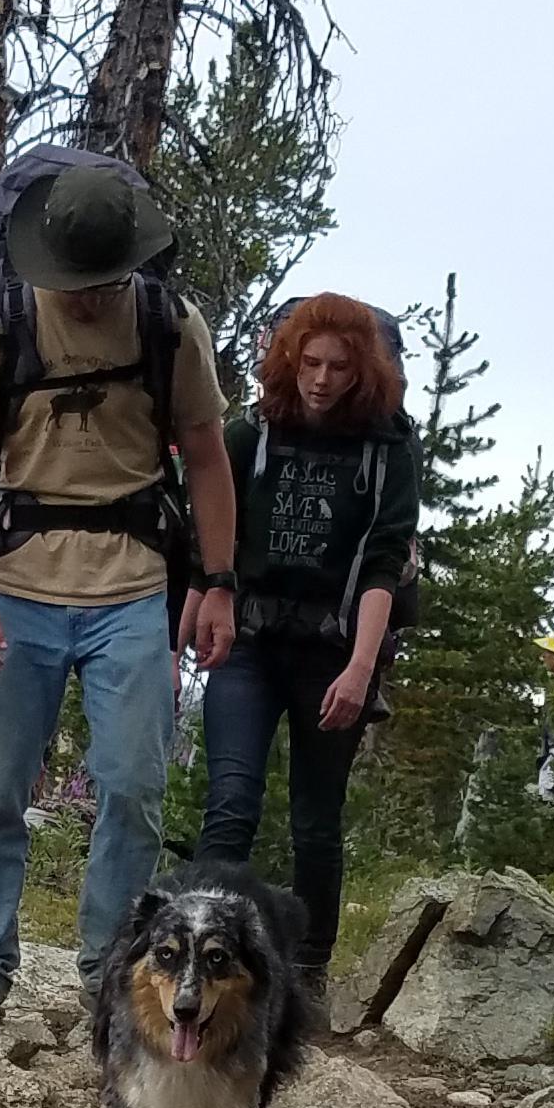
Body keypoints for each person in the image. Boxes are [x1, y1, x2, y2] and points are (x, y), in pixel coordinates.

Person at [0, 161, 238, 1029]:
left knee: (134, 785)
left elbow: (207, 459)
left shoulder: (173, 327)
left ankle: (111, 971)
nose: (89, 298)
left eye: (104, 282)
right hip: (16, 584)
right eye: (75, 282)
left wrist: (216, 584)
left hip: (133, 585)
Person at [197, 293, 419, 971]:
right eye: (311, 363)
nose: (321, 379)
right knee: (231, 801)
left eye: (339, 367)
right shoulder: (249, 437)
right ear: (289, 360)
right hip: (251, 645)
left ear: (364, 372)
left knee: (315, 822)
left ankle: (308, 969)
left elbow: (386, 560)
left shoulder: (388, 450)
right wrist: (201, 608)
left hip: (334, 650)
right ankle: (202, 945)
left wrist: (362, 666)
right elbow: (208, 536)